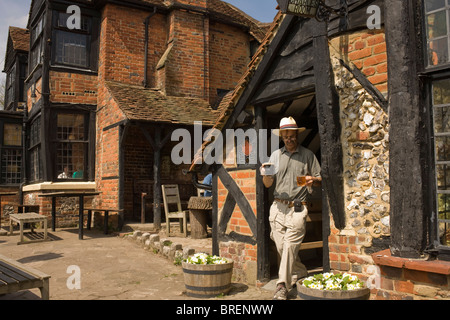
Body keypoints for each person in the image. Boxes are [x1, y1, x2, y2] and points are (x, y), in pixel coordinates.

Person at [260, 116, 322, 300]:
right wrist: (265, 175)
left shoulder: (308, 155)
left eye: (292, 135)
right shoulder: (275, 156)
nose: (289, 139)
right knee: (282, 248)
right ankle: (300, 272)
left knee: (288, 247)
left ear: (297, 135)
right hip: (278, 208)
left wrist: (313, 180)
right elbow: (268, 183)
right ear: (282, 137)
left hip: (298, 208)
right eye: (285, 136)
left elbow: (319, 179)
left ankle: (281, 285)